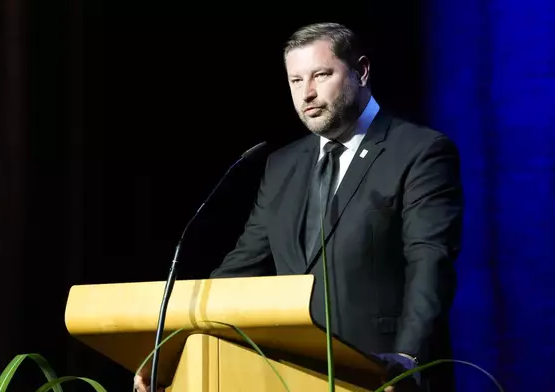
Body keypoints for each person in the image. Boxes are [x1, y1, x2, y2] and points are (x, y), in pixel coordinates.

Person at [134, 22, 463, 392]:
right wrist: (171, 350)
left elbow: (429, 261)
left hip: (385, 373)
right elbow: (241, 269)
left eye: (321, 75)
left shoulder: (420, 151)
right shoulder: (282, 165)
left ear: (362, 71)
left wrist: (409, 358)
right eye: (295, 80)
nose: (307, 93)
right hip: (296, 375)